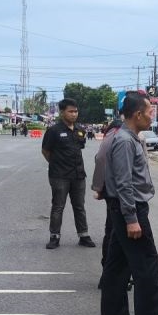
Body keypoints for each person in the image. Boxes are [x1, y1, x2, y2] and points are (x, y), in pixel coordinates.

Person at [100, 92, 158, 315]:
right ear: (138, 114)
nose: (153, 117)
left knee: (118, 263)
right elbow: (123, 183)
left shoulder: (128, 138)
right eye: (150, 112)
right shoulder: (124, 141)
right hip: (130, 209)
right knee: (146, 264)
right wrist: (131, 218)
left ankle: (113, 313)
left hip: (125, 207)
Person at [41, 98, 94, 250]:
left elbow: (79, 148)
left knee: (79, 206)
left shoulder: (80, 129)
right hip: (59, 176)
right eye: (70, 111)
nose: (74, 114)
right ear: (62, 112)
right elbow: (45, 151)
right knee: (58, 206)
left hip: (78, 175)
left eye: (76, 111)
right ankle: (54, 237)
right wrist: (57, 163)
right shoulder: (54, 131)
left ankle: (83, 235)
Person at [91, 118, 123, 269]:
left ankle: (108, 269)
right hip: (121, 193)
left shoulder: (110, 135)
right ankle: (112, 271)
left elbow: (99, 159)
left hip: (111, 191)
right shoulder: (121, 135)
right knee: (117, 232)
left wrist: (99, 188)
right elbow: (101, 159)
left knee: (111, 230)